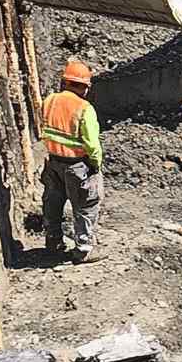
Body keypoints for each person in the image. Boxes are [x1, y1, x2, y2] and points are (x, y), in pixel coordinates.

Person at [40, 59, 104, 264]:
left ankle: (53, 242)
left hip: (52, 162)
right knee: (86, 204)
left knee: (53, 202)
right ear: (85, 87)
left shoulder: (49, 100)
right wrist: (96, 164)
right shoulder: (84, 108)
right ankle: (83, 250)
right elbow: (92, 144)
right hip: (76, 165)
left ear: (64, 82)